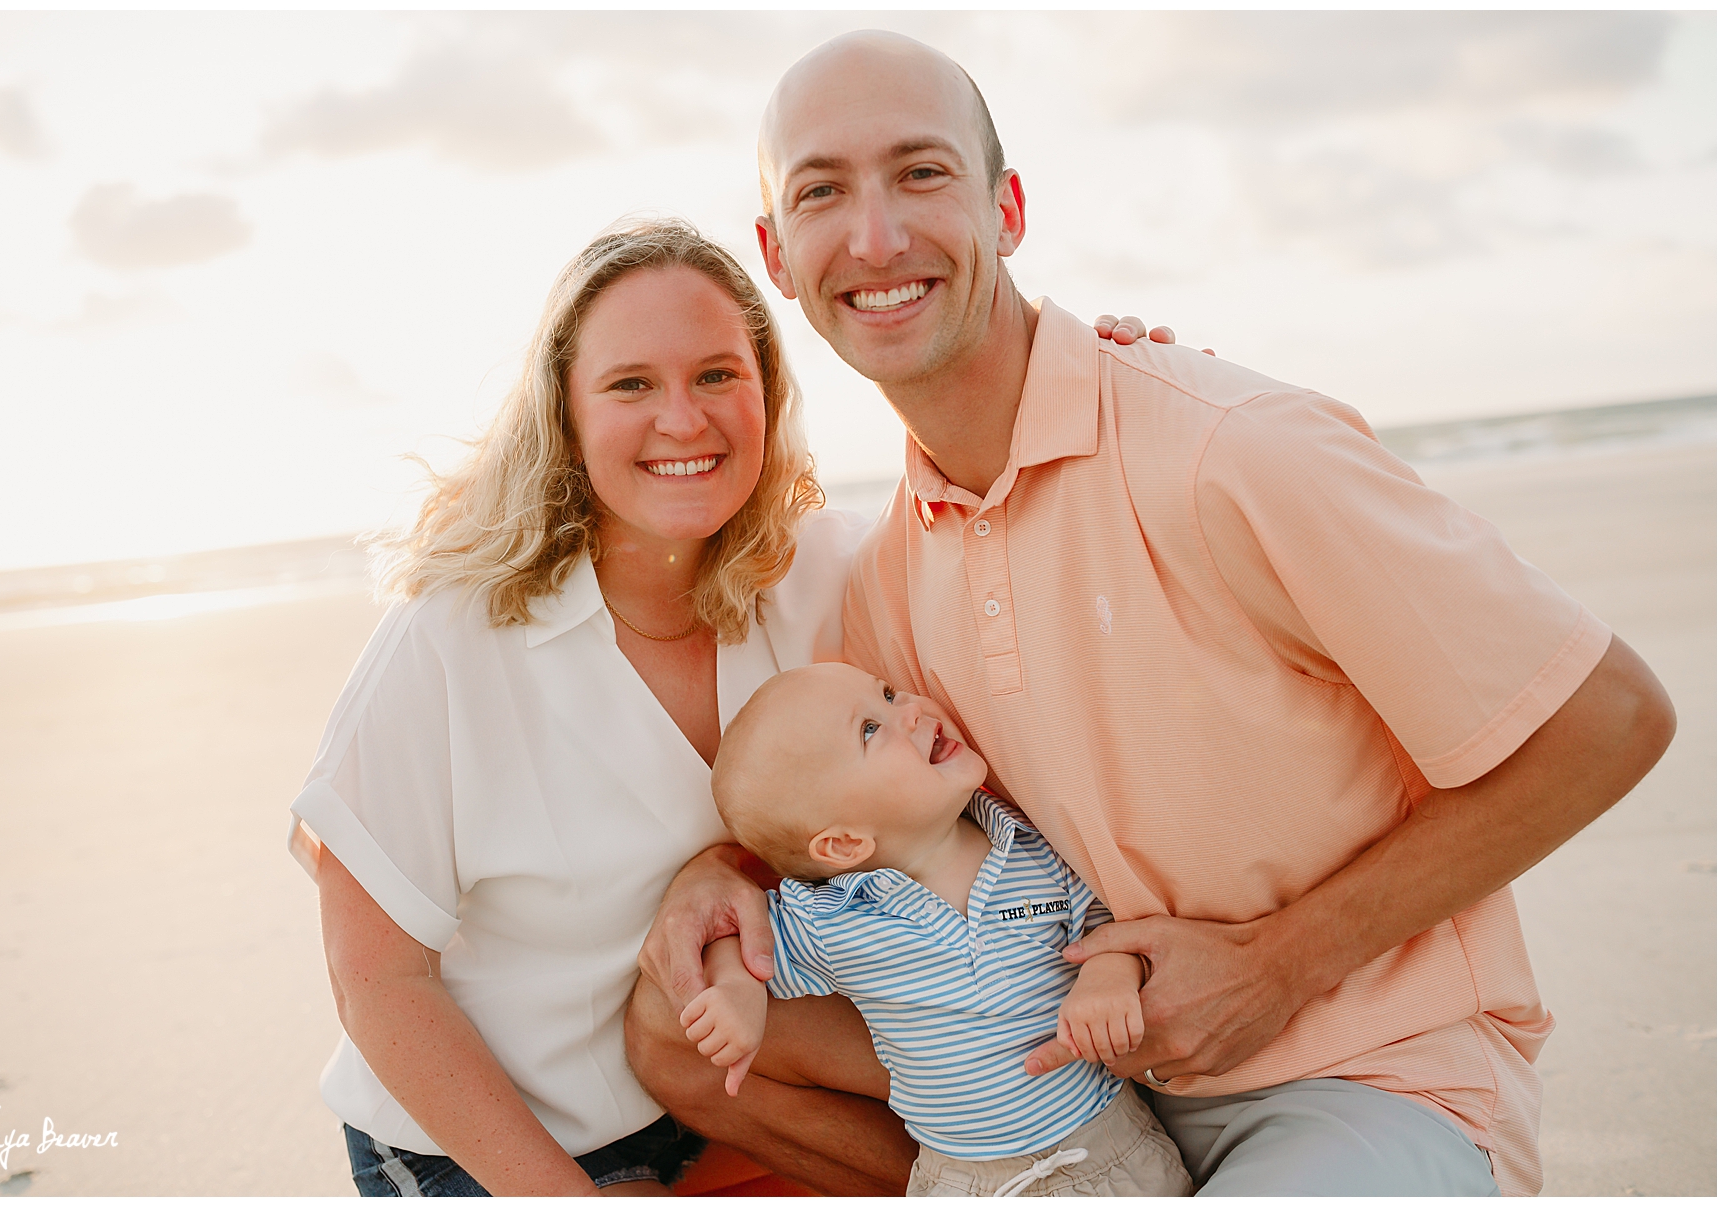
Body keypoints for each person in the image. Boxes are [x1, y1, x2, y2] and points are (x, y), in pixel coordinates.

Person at [627, 31, 1677, 1197]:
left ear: (1007, 207)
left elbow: (1613, 717)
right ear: (779, 252)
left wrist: (1276, 967)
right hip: (1097, 1088)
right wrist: (710, 872)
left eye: (922, 173)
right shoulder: (883, 585)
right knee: (666, 1022)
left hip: (1365, 1077)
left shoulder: (1231, 453)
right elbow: (857, 821)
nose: (875, 237)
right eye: (823, 192)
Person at [287, 215, 1172, 1195]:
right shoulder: (451, 634)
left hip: (734, 1098)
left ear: (767, 394)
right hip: (488, 1150)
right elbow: (377, 982)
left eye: (717, 375)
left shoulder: (836, 572)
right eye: (631, 385)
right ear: (567, 414)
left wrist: (1128, 395)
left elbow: (1029, 535)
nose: (683, 420)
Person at [684, 662, 1192, 1196]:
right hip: (964, 1182)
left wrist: (1107, 979)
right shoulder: (829, 917)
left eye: (887, 692)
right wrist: (738, 991)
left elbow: (1109, 926)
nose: (911, 708)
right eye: (870, 729)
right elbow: (739, 940)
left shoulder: (1030, 845)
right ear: (843, 844)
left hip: (1107, 1153)